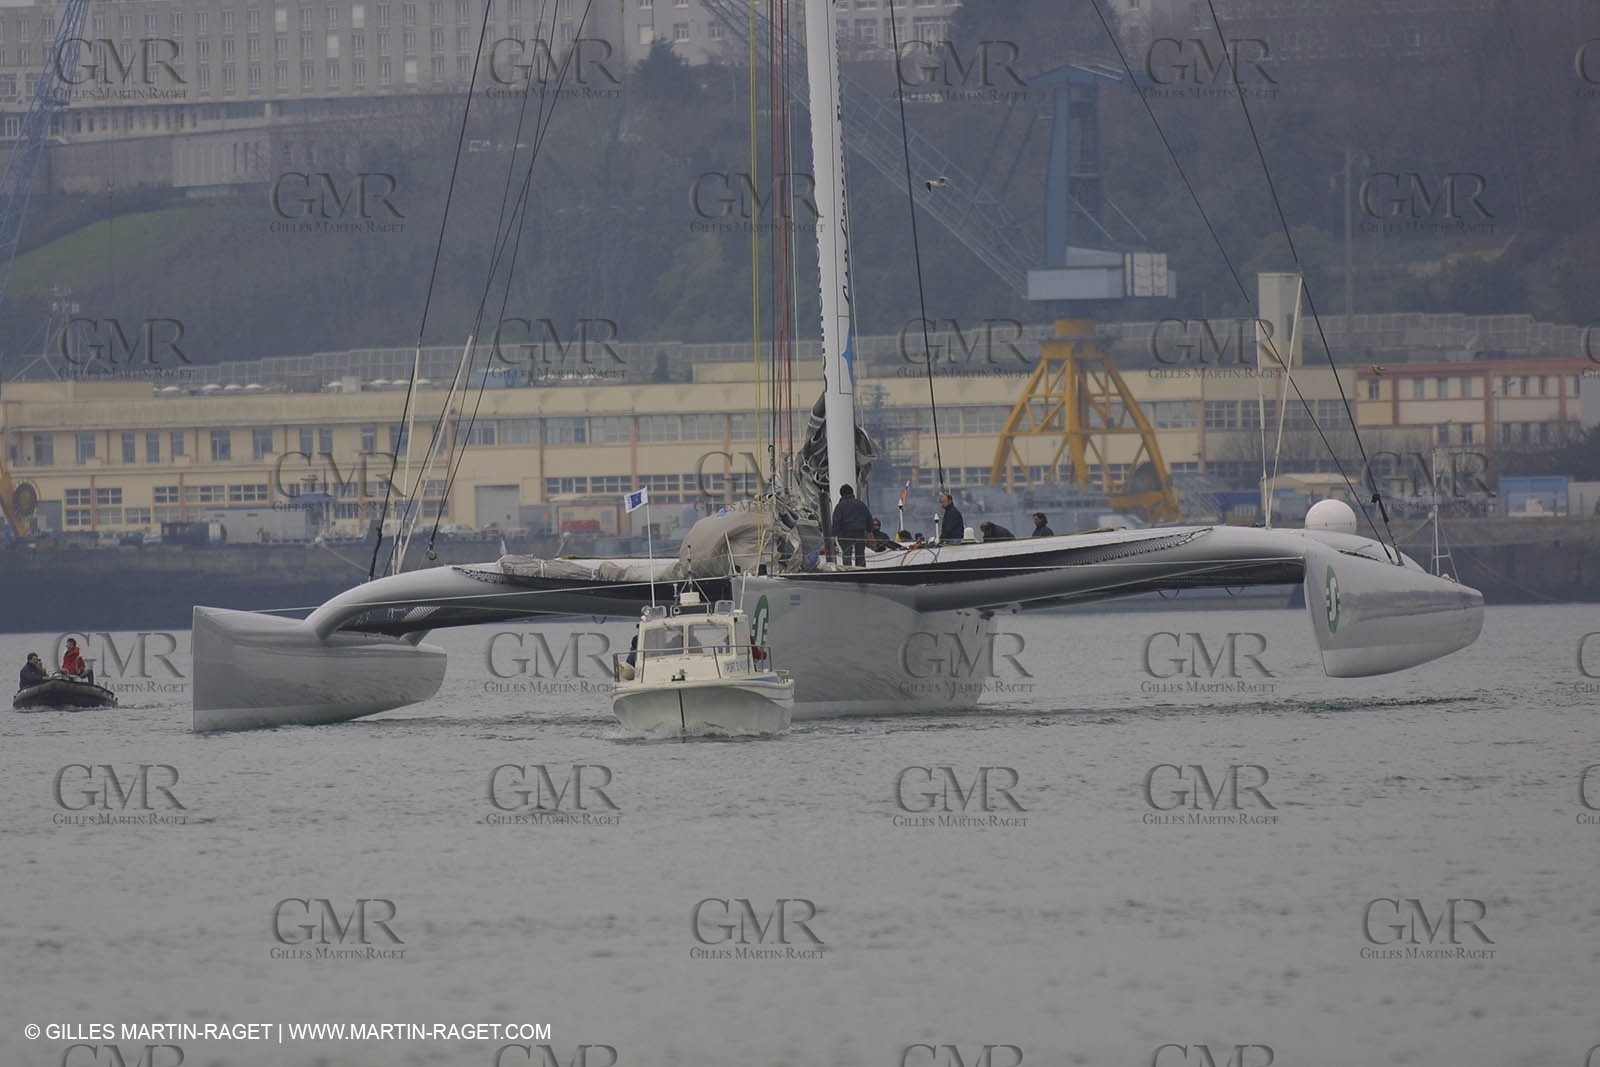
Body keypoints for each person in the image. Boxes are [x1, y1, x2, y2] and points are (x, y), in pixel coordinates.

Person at [830, 484, 873, 567]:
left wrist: (833, 535)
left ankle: (848, 570)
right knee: (860, 556)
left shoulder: (840, 506)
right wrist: (870, 531)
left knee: (847, 555)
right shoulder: (861, 504)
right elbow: (868, 518)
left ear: (841, 494)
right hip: (860, 532)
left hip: (845, 534)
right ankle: (861, 571)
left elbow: (836, 521)